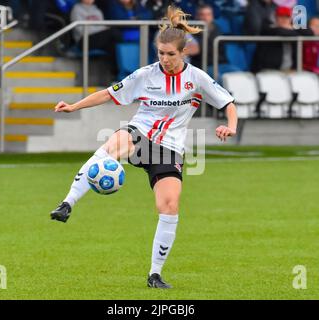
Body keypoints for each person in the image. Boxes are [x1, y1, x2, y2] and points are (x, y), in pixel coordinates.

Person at [50, 6, 238, 289]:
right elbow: (107, 93)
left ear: (182, 52)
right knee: (113, 144)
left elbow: (228, 103)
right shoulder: (145, 75)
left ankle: (155, 274)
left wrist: (231, 126)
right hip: (140, 135)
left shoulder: (196, 78)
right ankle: (67, 203)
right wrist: (74, 105)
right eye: (161, 53)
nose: (164, 59)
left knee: (170, 205)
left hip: (170, 148)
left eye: (170, 54)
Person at [251, 6, 313, 73]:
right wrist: (293, 30)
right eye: (280, 16)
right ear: (275, 17)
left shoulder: (292, 27)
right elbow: (282, 32)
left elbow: (310, 33)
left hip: (290, 70)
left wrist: (292, 27)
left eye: (286, 17)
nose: (284, 19)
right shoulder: (268, 27)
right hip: (269, 70)